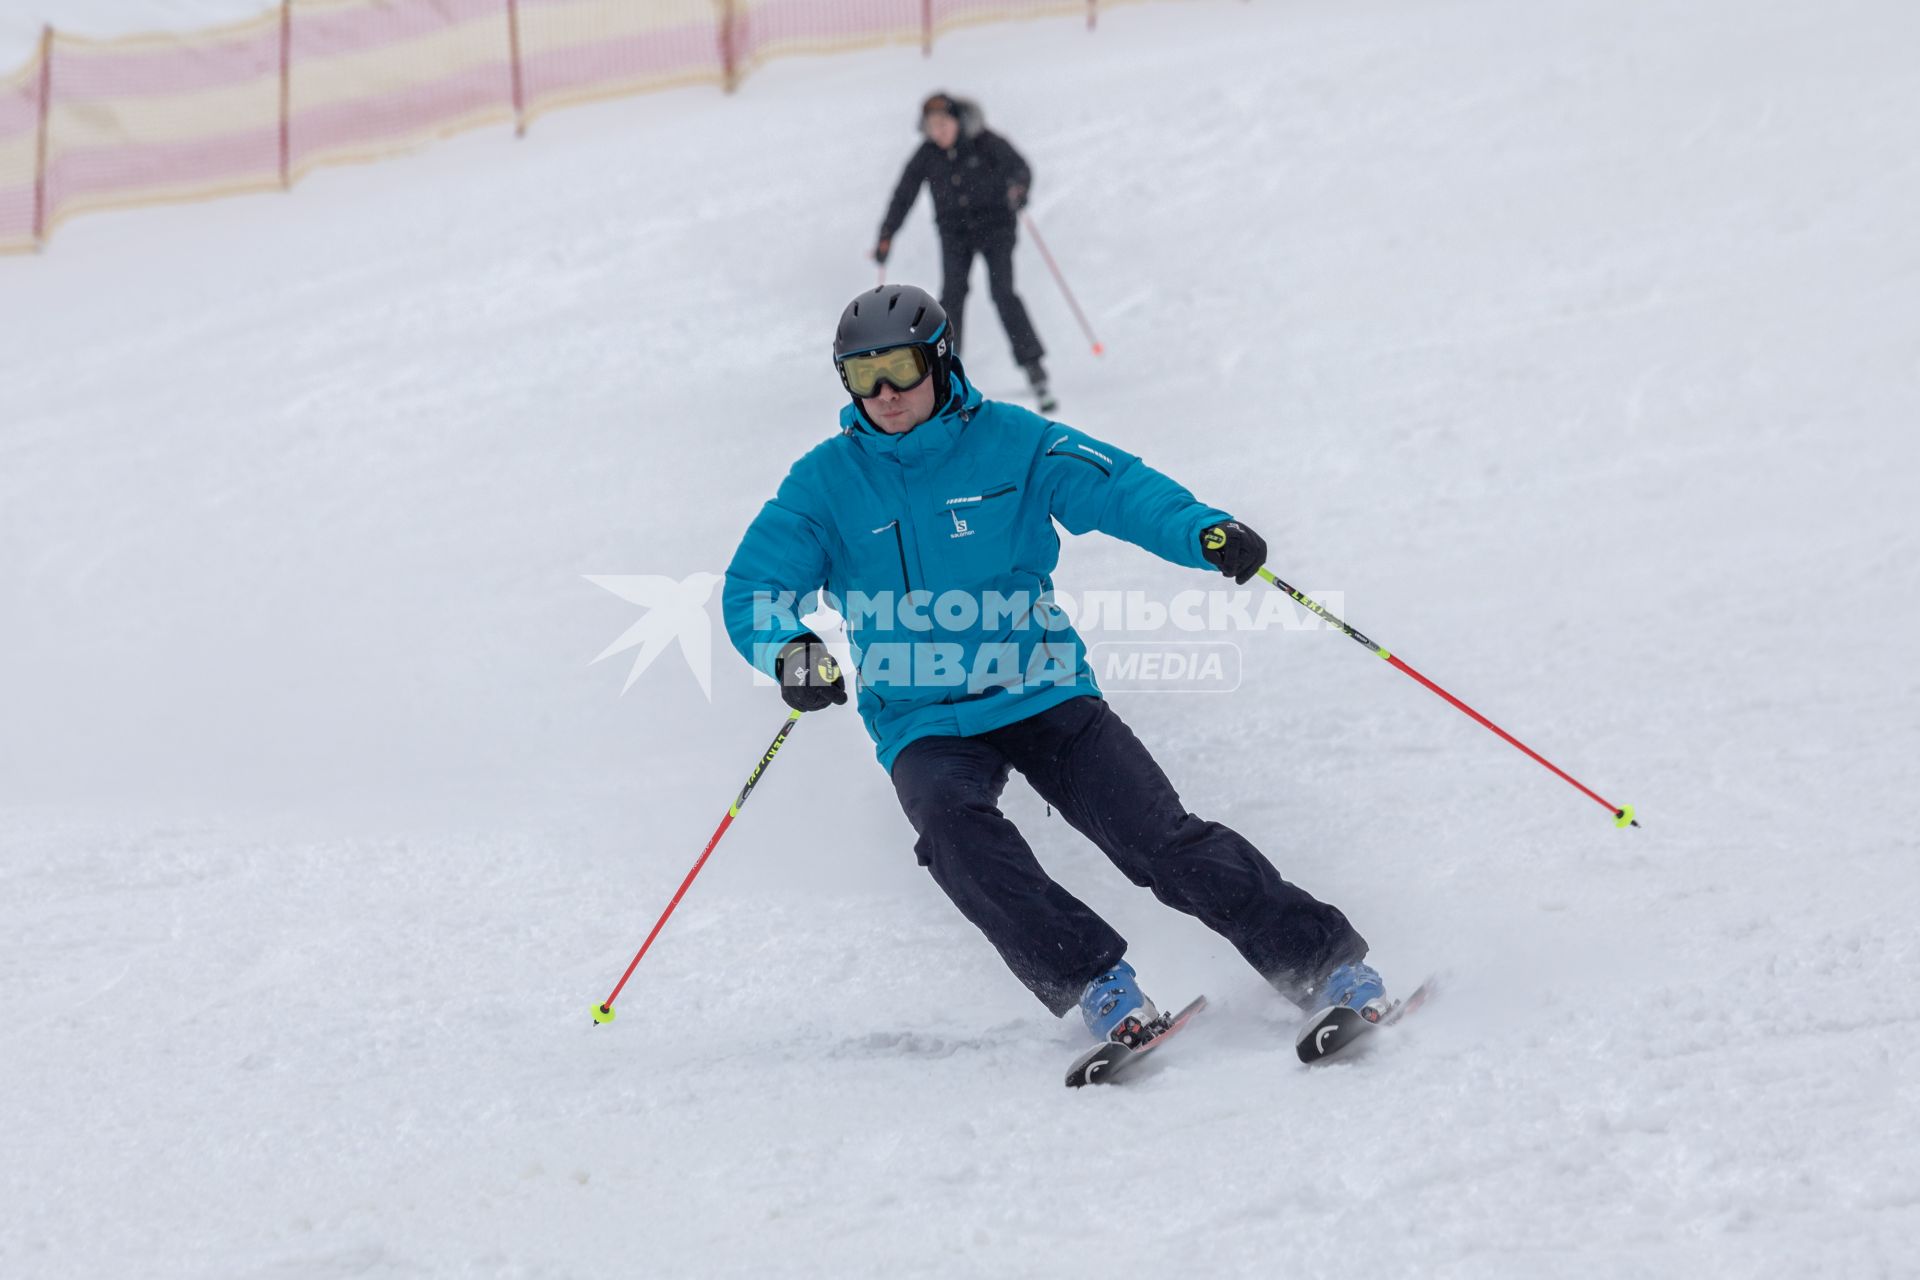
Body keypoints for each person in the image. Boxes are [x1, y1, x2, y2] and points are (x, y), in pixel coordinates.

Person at [722, 284, 1384, 1052]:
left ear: (940, 360)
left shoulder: (1014, 442)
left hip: (1039, 687)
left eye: (899, 368)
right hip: (921, 715)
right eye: (862, 375)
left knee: (1155, 839)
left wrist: (1201, 529)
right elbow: (755, 587)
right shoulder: (825, 483)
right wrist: (789, 647)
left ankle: (1327, 968)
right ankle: (1101, 987)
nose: (886, 393)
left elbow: (1119, 487)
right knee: (952, 834)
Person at [872, 93, 1054, 413]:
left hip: (996, 227)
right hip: (954, 233)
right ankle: (944, 372)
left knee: (1002, 292)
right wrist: (887, 234)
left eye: (944, 124)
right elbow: (904, 194)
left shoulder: (985, 142)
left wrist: (1018, 190)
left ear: (958, 121)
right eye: (932, 127)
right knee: (951, 296)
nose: (938, 132)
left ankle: (1033, 365)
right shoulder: (927, 154)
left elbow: (1019, 168)